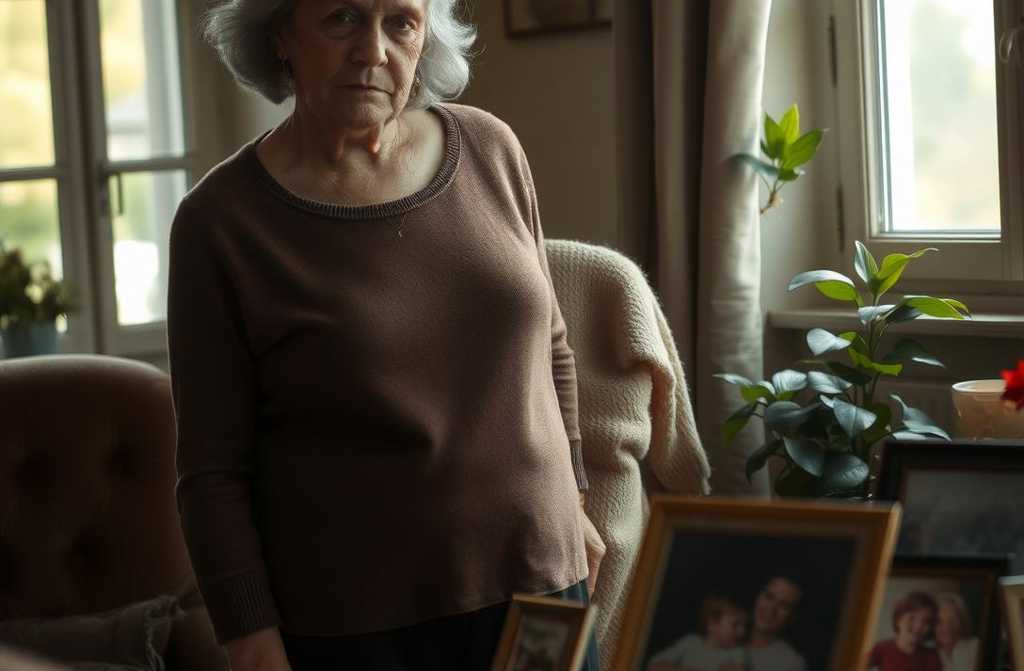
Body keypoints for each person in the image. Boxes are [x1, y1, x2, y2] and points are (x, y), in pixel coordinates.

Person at [167, 1, 606, 670]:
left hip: (542, 590)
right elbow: (211, 473)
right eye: (342, 18)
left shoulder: (491, 148)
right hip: (359, 630)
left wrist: (573, 497)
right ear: (280, 33)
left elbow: (552, 343)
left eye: (400, 21)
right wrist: (250, 639)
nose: (373, 51)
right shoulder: (220, 222)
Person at [646, 595, 749, 671]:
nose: (742, 632)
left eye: (744, 626)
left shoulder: (737, 653)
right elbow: (654, 666)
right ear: (712, 624)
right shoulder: (690, 642)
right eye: (735, 625)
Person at [868, 591, 942, 671]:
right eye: (912, 618)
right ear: (898, 620)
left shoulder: (932, 657)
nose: (918, 626)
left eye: (926, 621)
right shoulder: (881, 649)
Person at [746, 577, 806, 671]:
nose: (771, 609)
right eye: (769, 597)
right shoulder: (725, 636)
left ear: (793, 616)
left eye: (783, 605)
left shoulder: (791, 664)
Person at [933, 592, 979, 671]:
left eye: (952, 620)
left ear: (962, 621)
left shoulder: (976, 647)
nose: (946, 627)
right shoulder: (929, 654)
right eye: (939, 621)